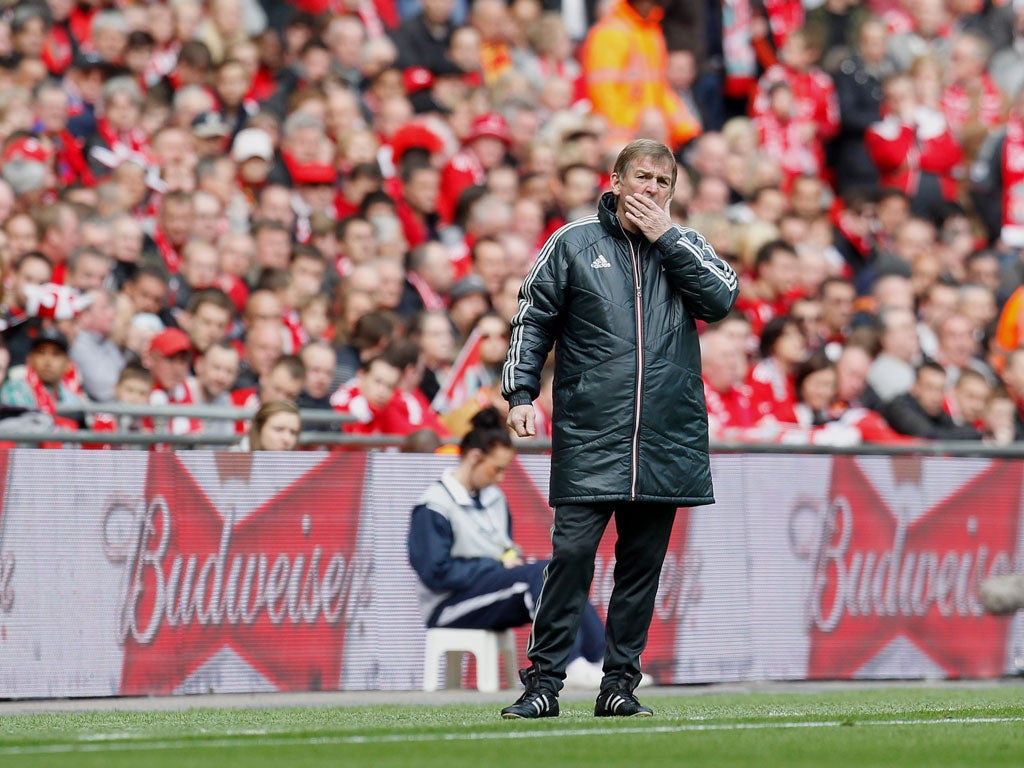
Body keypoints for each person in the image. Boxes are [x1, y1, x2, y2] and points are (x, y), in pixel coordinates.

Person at [499, 139, 739, 718]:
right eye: (642, 177)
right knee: (573, 555)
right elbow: (533, 317)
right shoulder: (573, 242)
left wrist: (669, 237)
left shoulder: (685, 246)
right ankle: (542, 685)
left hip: (666, 433)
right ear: (615, 180)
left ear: (673, 191)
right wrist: (521, 393)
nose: (651, 189)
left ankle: (619, 686)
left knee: (641, 570)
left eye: (663, 181)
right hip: (590, 431)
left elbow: (722, 298)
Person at [408, 407, 606, 690]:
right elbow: (435, 573)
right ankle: (570, 663)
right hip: (448, 604)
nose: (500, 477)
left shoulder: (494, 498)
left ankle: (603, 662)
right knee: (539, 575)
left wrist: (509, 560)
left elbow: (506, 548)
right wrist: (497, 567)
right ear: (475, 457)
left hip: (490, 590)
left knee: (561, 573)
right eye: (496, 468)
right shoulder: (434, 504)